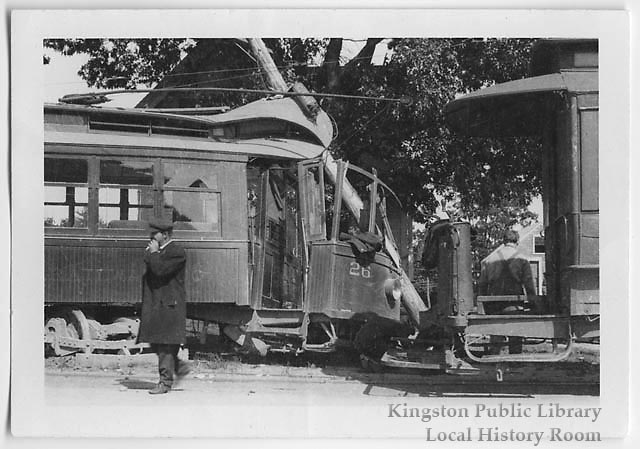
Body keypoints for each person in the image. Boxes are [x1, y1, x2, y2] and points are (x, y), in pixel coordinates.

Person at [137, 218, 190, 394]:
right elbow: (151, 264)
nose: (151, 237)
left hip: (169, 306)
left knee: (165, 345)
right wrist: (152, 253)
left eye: (155, 234)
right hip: (158, 305)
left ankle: (165, 383)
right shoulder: (158, 251)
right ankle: (179, 368)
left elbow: (159, 270)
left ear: (165, 235)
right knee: (155, 342)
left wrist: (153, 253)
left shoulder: (176, 252)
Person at [478, 229, 536, 355]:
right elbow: (529, 285)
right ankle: (515, 363)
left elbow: (482, 285)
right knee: (515, 334)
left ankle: (494, 361)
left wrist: (483, 306)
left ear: (503, 241)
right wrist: (533, 303)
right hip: (514, 305)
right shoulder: (522, 259)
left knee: (496, 334)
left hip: (493, 305)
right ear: (517, 241)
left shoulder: (489, 259)